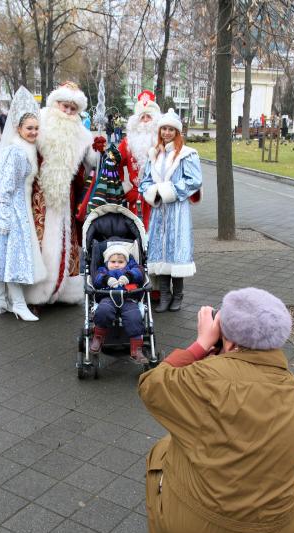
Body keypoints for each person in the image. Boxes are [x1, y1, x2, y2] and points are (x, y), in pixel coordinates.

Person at [139, 288, 294, 533]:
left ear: (227, 342)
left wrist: (201, 345)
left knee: (162, 452)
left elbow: (151, 385)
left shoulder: (203, 379)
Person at [0, 87, 47, 321]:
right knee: (14, 257)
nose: (33, 132)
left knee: (4, 254)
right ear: (18, 129)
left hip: (16, 208)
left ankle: (1, 299)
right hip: (12, 210)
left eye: (36, 128)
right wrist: (5, 216)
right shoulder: (15, 152)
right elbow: (5, 188)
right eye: (29, 128)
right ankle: (19, 304)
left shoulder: (24, 149)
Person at [24, 81, 104, 307]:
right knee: (39, 242)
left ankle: (64, 291)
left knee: (66, 242)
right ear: (54, 103)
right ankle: (35, 294)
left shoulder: (82, 134)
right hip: (39, 196)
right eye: (64, 106)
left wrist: (99, 150)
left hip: (67, 198)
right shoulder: (39, 123)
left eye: (73, 108)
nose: (68, 112)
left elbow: (92, 164)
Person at [139, 108, 202, 312]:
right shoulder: (155, 154)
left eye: (171, 129)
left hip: (177, 211)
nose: (166, 132)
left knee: (177, 252)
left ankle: (178, 295)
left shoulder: (187, 154)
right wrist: (153, 192)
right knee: (161, 252)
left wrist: (168, 191)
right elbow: (145, 181)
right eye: (163, 129)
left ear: (177, 132)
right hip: (159, 212)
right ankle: (164, 296)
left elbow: (194, 181)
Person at [90, 244, 148, 364]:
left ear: (126, 262)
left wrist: (129, 276)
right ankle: (98, 337)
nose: (116, 264)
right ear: (107, 262)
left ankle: (136, 349)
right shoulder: (103, 270)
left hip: (128, 299)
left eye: (120, 262)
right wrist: (106, 279)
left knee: (134, 317)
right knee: (103, 311)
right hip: (107, 297)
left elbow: (140, 272)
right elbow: (96, 279)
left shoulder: (131, 269)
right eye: (113, 261)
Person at [118, 90, 160, 231]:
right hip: (136, 200)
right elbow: (115, 163)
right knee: (137, 236)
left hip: (158, 199)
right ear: (136, 121)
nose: (146, 120)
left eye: (149, 116)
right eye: (142, 117)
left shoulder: (162, 142)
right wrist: (125, 187)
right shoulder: (127, 142)